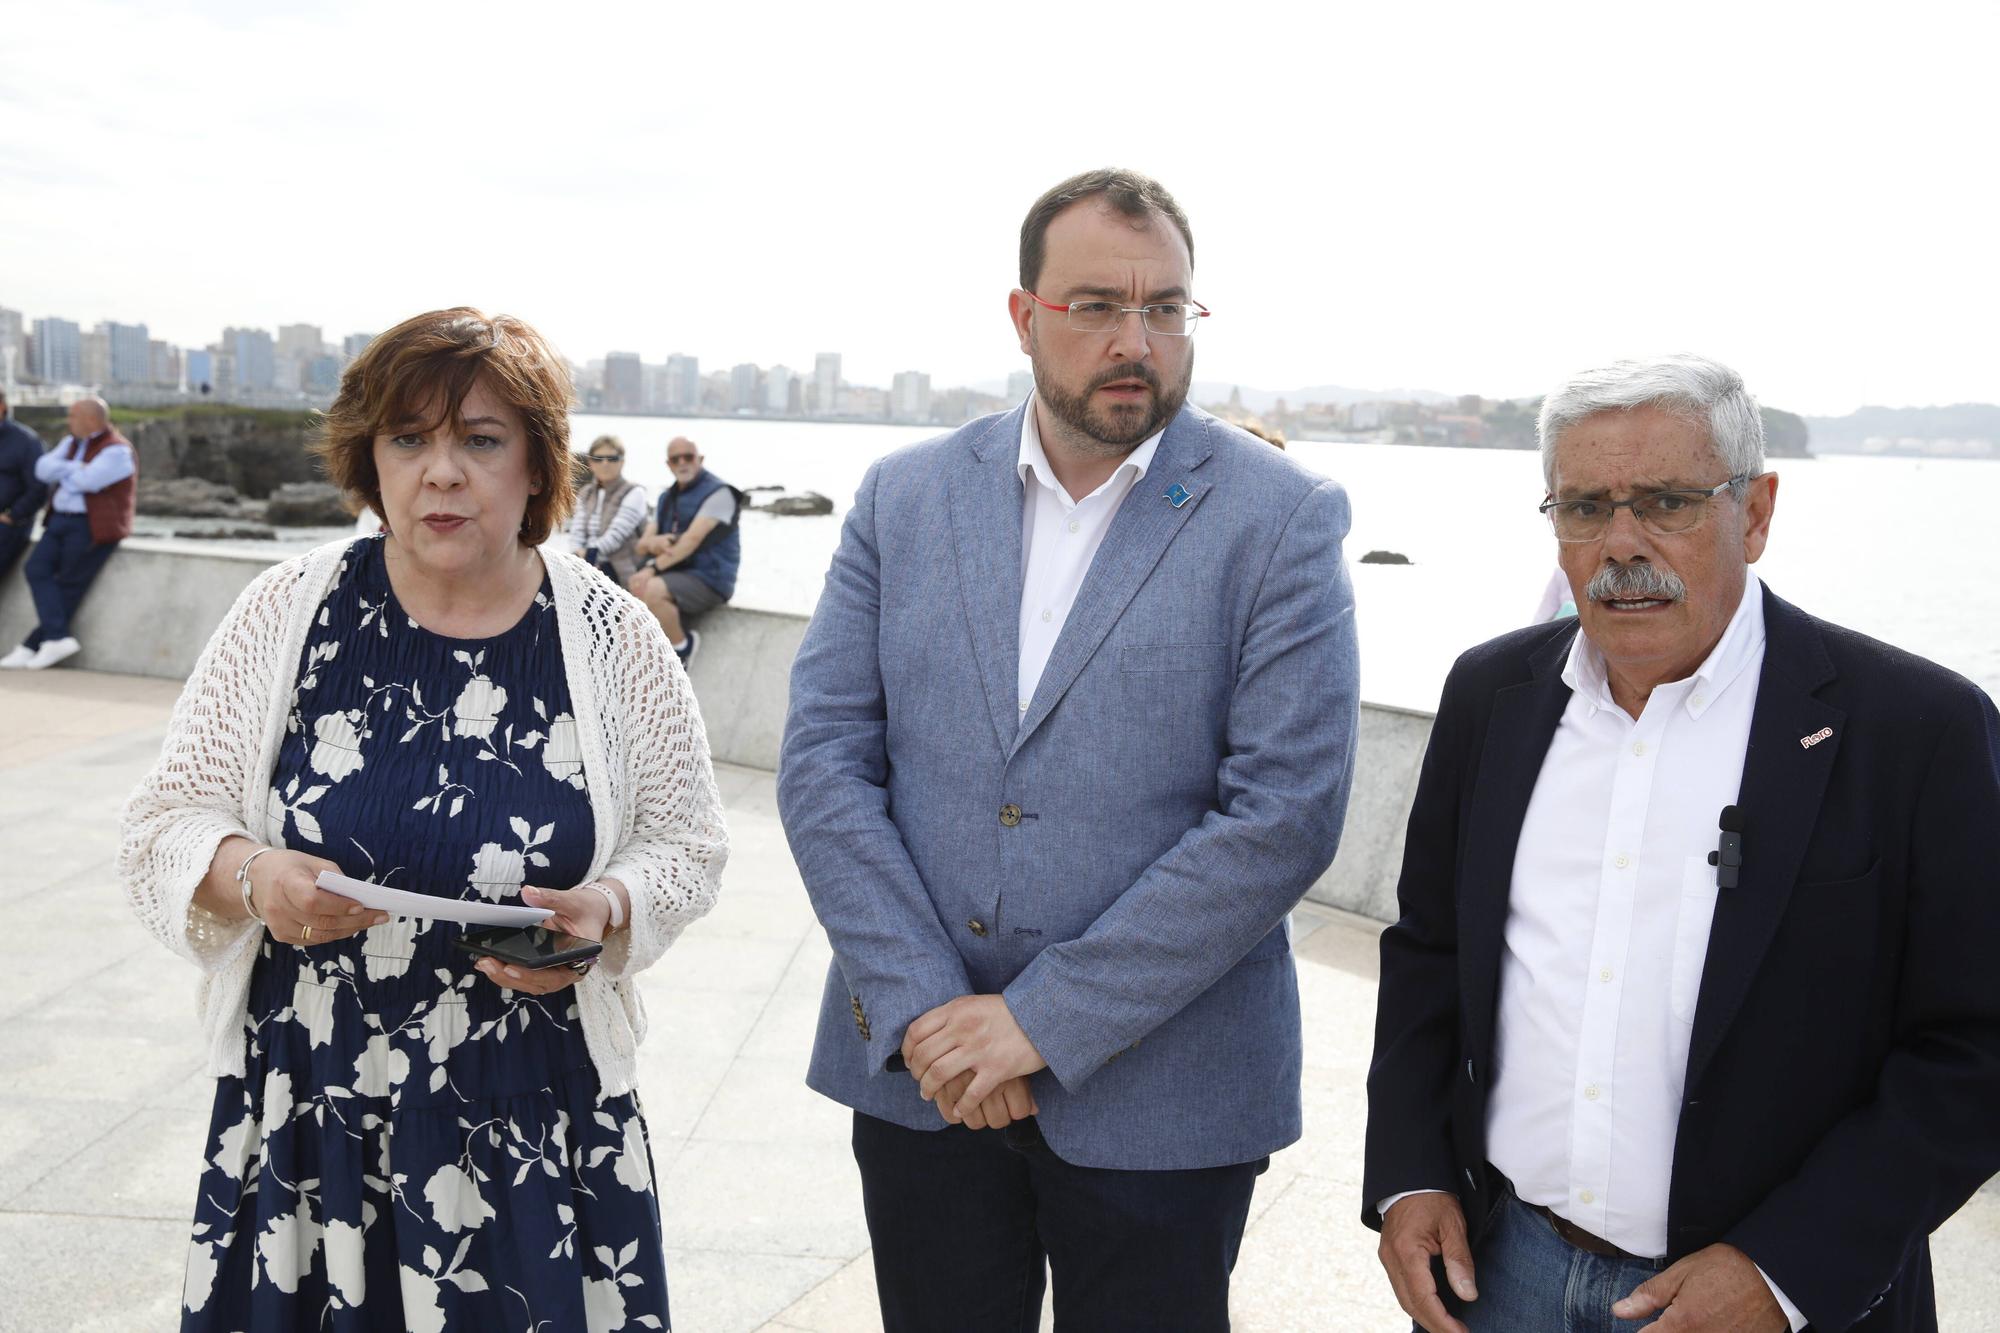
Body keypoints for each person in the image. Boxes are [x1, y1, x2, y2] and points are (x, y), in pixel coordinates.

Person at [779, 167, 1360, 1332]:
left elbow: (1281, 815)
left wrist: (1039, 1022)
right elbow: (826, 761)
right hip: (919, 1079)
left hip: (1167, 1100)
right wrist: (928, 1012)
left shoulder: (1282, 517)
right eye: (1095, 305)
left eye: (1163, 308)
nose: (1133, 339)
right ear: (1023, 315)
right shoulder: (903, 498)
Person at [117, 307, 729, 1331]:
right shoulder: (289, 610)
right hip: (315, 1105)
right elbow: (164, 822)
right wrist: (251, 875)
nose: (440, 471)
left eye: (480, 440)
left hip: (538, 1109)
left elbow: (689, 843)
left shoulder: (609, 633)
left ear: (536, 465)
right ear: (370, 460)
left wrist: (609, 907)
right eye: (408, 439)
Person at [1363, 354, 2000, 1333]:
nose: (1620, 543)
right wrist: (1408, 1174)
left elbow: (1973, 1044)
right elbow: (1428, 954)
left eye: (1664, 501)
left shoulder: (1916, 730)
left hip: (1759, 1304)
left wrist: (1784, 1272)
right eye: (1581, 507)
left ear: (1753, 513)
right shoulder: (1488, 698)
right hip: (1501, 1272)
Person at [0, 395, 133, 670]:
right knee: (36, 568)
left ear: (91, 419)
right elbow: (42, 469)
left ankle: (32, 645)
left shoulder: (117, 451)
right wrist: (77, 469)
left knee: (69, 584)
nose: (68, 421)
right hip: (59, 520)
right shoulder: (71, 444)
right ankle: (52, 639)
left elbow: (90, 481)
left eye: (73, 416)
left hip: (92, 526)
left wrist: (69, 473)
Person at [626, 436, 742, 666]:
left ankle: (683, 647)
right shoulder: (666, 498)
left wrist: (651, 567)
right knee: (633, 588)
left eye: (688, 457)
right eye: (675, 459)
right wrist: (655, 541)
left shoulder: (720, 494)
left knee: (652, 587)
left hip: (711, 577)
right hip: (677, 573)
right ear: (668, 464)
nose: (682, 463)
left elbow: (692, 540)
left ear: (700, 459)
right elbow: (641, 545)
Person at [566, 433, 650, 582]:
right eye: (599, 459)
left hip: (619, 569)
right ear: (590, 463)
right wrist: (576, 556)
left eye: (612, 458)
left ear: (622, 462)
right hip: (586, 563)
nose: (605, 463)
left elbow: (615, 536)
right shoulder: (586, 493)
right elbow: (577, 532)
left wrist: (588, 554)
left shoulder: (635, 492)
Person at [0, 387, 47, 584]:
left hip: (8, 526)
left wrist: (13, 516)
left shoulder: (26, 441)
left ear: (2, 407)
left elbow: (39, 487)